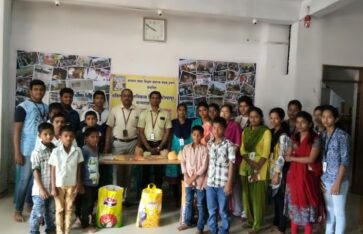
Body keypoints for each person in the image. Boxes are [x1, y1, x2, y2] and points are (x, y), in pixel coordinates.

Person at [14, 79, 48, 222]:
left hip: (41, 150)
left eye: (41, 89)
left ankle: (29, 204)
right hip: (27, 150)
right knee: (24, 180)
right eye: (36, 89)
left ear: (44, 91)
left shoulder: (46, 107)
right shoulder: (23, 107)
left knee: (36, 181)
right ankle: (18, 209)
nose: (39, 92)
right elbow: (17, 131)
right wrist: (17, 152)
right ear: (30, 91)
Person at [284, 111, 324, 234]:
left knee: (307, 208)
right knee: (294, 207)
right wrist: (292, 157)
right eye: (297, 122)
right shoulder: (293, 137)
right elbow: (287, 154)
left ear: (310, 123)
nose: (300, 125)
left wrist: (293, 158)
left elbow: (311, 159)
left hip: (308, 177)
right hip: (294, 177)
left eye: (303, 122)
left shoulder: (315, 139)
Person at [240, 107, 271, 234]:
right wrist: (250, 162)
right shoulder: (245, 131)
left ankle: (257, 225)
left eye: (256, 117)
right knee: (246, 196)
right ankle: (250, 221)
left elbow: (266, 151)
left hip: (260, 167)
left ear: (261, 118)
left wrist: (257, 165)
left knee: (257, 197)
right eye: (251, 117)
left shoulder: (265, 131)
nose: (253, 119)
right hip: (246, 166)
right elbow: (242, 150)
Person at [320, 105, 350, 234]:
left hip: (339, 180)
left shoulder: (342, 136)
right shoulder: (321, 135)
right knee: (329, 210)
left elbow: (345, 161)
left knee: (339, 212)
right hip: (325, 179)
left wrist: (337, 182)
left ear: (336, 119)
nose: (326, 120)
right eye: (323, 117)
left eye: (329, 117)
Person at [49, 125, 84, 234]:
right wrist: (53, 186)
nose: (68, 138)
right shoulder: (55, 151)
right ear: (60, 137)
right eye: (65, 136)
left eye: (71, 136)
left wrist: (78, 183)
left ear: (74, 137)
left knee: (69, 208)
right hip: (59, 185)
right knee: (59, 209)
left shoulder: (77, 150)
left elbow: (79, 167)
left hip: (72, 184)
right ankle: (59, 231)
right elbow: (52, 170)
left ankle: (67, 231)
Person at [104, 89, 140, 191]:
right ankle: (117, 195)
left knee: (129, 171)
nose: (127, 98)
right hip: (117, 144)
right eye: (124, 95)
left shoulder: (138, 110)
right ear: (121, 97)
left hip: (132, 144)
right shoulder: (115, 110)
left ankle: (127, 196)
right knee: (117, 171)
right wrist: (107, 144)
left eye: (129, 96)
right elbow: (109, 128)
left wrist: (138, 145)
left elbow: (140, 129)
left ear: (132, 97)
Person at [206, 117, 235, 234]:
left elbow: (232, 166)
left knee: (223, 211)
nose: (216, 131)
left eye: (219, 128)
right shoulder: (209, 144)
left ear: (224, 129)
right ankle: (213, 230)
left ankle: (224, 231)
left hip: (223, 184)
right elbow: (209, 162)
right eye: (214, 128)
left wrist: (229, 184)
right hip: (210, 183)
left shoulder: (229, 145)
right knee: (211, 210)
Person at [138, 91, 172, 189]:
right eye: (152, 97)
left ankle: (158, 195)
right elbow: (140, 132)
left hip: (161, 144)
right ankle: (144, 195)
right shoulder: (143, 113)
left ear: (160, 99)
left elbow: (167, 132)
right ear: (149, 99)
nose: (155, 99)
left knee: (159, 172)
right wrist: (148, 147)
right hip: (146, 144)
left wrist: (160, 147)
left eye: (157, 98)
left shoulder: (166, 114)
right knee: (146, 171)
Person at [178, 125, 208, 233]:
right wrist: (186, 176)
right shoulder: (186, 148)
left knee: (200, 204)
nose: (196, 136)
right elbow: (183, 162)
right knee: (188, 201)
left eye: (199, 135)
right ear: (191, 135)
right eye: (194, 134)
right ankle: (187, 222)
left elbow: (204, 166)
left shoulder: (204, 149)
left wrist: (193, 178)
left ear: (202, 136)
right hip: (188, 180)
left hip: (200, 181)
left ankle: (200, 227)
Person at [29, 123, 56, 234]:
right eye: (45, 134)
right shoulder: (37, 152)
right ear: (39, 135)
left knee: (50, 211)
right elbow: (36, 171)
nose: (48, 136)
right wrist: (41, 188)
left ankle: (50, 229)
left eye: (50, 134)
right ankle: (34, 231)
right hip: (39, 190)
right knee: (37, 212)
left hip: (52, 188)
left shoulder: (56, 149)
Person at [269, 108, 291, 234]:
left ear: (281, 119)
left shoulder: (283, 135)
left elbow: (282, 156)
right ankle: (277, 223)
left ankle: (281, 227)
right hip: (272, 168)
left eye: (276, 118)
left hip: (280, 170)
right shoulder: (271, 132)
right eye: (271, 118)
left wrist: (277, 173)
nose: (273, 120)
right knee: (276, 198)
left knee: (281, 199)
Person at [165, 103, 193, 202]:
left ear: (186, 111)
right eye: (180, 110)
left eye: (184, 110)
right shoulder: (173, 122)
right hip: (175, 148)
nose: (182, 112)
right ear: (177, 111)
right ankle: (176, 196)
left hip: (186, 148)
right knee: (175, 172)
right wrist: (168, 148)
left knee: (184, 172)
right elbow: (169, 136)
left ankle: (184, 196)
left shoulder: (190, 122)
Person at [220, 104, 243, 217]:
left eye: (227, 112)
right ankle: (225, 209)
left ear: (231, 114)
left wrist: (230, 157)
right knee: (224, 186)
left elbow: (238, 144)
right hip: (220, 162)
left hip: (232, 160)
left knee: (234, 185)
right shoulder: (218, 125)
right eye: (222, 111)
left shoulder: (235, 125)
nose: (224, 114)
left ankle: (237, 210)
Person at [79, 127, 100, 233]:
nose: (95, 139)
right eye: (92, 137)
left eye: (97, 137)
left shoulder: (95, 149)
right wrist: (80, 183)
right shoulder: (84, 150)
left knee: (91, 202)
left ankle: (88, 220)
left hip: (94, 182)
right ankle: (85, 225)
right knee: (86, 204)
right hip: (86, 182)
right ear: (86, 138)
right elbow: (80, 167)